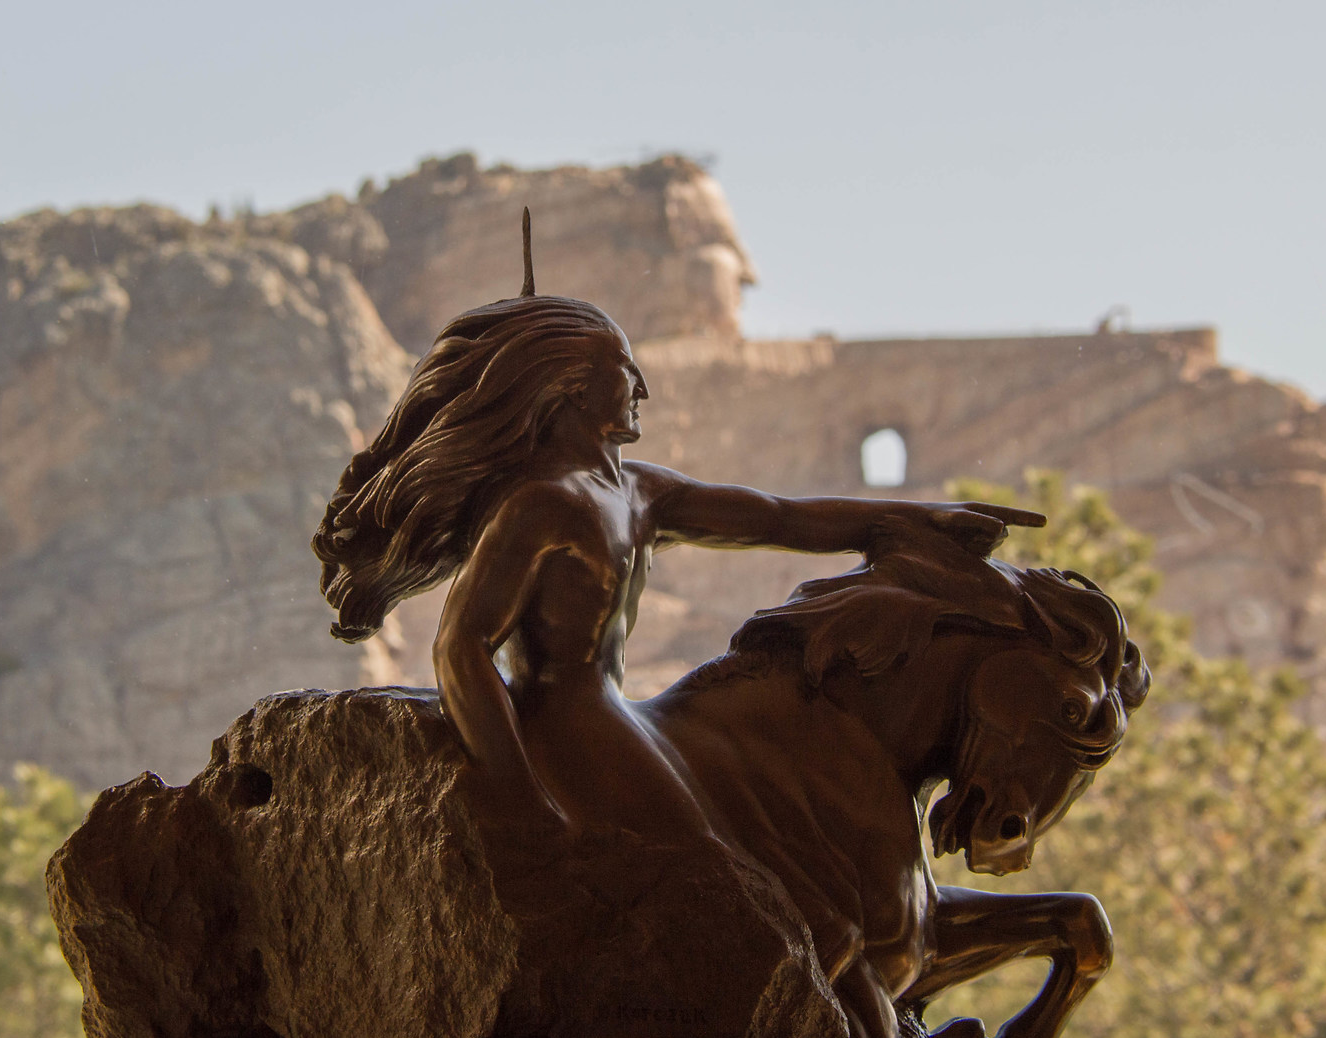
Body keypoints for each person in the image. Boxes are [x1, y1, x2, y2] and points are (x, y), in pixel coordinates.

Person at [312, 213, 1040, 841]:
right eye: (625, 371)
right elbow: (460, 646)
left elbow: (779, 517)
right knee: (712, 853)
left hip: (617, 715)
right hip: (566, 728)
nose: (644, 389)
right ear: (569, 384)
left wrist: (922, 520)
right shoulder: (540, 506)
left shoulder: (636, 490)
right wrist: (517, 795)